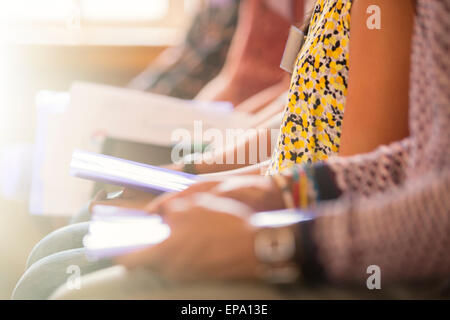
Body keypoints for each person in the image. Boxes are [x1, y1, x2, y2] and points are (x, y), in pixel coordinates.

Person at [50, 0, 450, 299]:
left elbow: (371, 174)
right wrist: (195, 177)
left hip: (360, 252)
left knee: (66, 281)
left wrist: (266, 240)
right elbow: (304, 120)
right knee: (67, 246)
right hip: (309, 211)